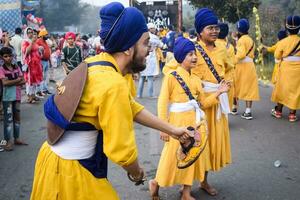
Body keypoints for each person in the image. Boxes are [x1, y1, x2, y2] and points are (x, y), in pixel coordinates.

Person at [30, 2, 193, 200]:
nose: (149, 50)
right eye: (144, 43)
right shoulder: (112, 83)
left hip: (51, 161)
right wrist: (137, 173)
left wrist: (173, 131)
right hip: (72, 173)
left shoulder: (94, 63)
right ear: (128, 48)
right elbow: (122, 151)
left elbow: (131, 107)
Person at [149, 37, 230, 200]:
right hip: (176, 124)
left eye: (194, 54)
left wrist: (219, 92)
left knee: (192, 154)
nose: (194, 57)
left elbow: (203, 104)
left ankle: (186, 192)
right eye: (189, 54)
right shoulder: (171, 77)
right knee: (172, 155)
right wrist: (163, 127)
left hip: (194, 122)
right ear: (180, 57)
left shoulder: (196, 80)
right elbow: (162, 102)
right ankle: (156, 182)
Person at [192, 8, 232, 196]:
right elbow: (177, 72)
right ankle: (182, 183)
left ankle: (203, 181)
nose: (215, 31)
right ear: (200, 31)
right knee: (192, 144)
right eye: (210, 28)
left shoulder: (222, 49)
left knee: (210, 144)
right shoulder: (192, 50)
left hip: (217, 103)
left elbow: (230, 68)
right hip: (199, 105)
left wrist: (227, 82)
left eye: (216, 27)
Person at [271, 15, 300, 122]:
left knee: (282, 89)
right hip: (298, 70)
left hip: (285, 69)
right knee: (295, 90)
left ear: (287, 29)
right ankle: (292, 114)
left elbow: (277, 56)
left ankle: (278, 111)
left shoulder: (283, 42)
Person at [232, 18, 260, 119]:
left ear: (239, 30)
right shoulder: (250, 40)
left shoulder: (241, 40)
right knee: (249, 88)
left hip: (241, 67)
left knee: (235, 86)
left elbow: (241, 54)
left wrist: (232, 61)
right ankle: (248, 111)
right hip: (250, 66)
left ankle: (234, 107)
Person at [0, 47, 27, 151]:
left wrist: (13, 81)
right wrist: (17, 80)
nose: (8, 58)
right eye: (6, 56)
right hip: (7, 97)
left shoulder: (16, 66)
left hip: (17, 96)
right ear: (2, 57)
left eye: (10, 56)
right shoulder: (1, 69)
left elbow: (24, 81)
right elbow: (4, 83)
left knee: (17, 118)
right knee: (8, 120)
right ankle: (7, 141)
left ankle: (17, 138)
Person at [137, 23, 162, 98]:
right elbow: (161, 45)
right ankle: (150, 94)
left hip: (143, 57)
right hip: (151, 58)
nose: (154, 29)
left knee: (142, 77)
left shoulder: (142, 37)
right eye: (153, 28)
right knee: (150, 77)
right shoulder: (154, 37)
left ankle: (139, 94)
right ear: (150, 29)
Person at [216, 23, 235, 110]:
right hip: (228, 77)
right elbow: (232, 62)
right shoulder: (230, 47)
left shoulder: (214, 44)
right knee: (227, 101)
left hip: (216, 77)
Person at [22, 28, 43, 103]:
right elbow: (26, 52)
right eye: (29, 32)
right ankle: (29, 97)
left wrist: (40, 50)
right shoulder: (25, 42)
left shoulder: (35, 42)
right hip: (30, 65)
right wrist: (31, 43)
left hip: (36, 65)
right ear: (26, 34)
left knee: (35, 82)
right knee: (29, 81)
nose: (31, 34)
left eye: (32, 32)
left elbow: (38, 52)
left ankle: (33, 95)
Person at [36, 28, 52, 96]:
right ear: (42, 35)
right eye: (46, 34)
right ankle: (39, 91)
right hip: (41, 61)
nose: (47, 36)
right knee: (41, 76)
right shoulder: (38, 41)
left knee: (45, 76)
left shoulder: (45, 41)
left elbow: (48, 51)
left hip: (46, 61)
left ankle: (44, 89)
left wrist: (50, 61)